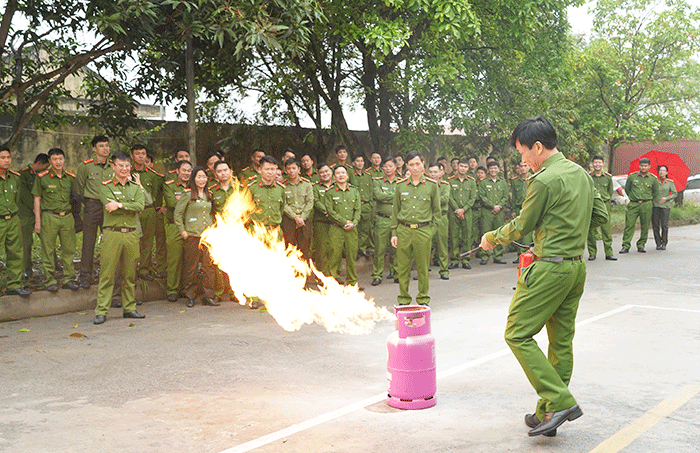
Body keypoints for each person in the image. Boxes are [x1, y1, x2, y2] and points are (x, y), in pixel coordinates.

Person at [480, 116, 608, 437]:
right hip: (575, 267)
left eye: (523, 153)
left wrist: (491, 238)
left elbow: (522, 226)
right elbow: (602, 216)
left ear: (538, 147)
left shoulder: (544, 180)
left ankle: (560, 401)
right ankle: (548, 413)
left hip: (549, 268)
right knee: (561, 343)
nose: (523, 160)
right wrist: (569, 229)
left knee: (517, 333)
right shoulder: (581, 173)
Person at [93, 151, 146, 324]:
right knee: (107, 274)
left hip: (131, 234)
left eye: (126, 166)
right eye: (120, 165)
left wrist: (120, 204)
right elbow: (108, 205)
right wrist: (124, 206)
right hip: (112, 233)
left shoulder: (135, 187)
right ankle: (101, 311)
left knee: (130, 274)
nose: (124, 169)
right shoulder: (105, 186)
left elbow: (140, 206)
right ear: (113, 166)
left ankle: (129, 308)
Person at [390, 151, 440, 305]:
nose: (415, 167)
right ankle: (404, 299)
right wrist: (394, 233)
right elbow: (395, 211)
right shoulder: (400, 186)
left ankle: (423, 298)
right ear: (406, 166)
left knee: (423, 267)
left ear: (423, 164)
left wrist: (430, 232)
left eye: (418, 163)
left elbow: (437, 213)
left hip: (423, 231)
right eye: (411, 164)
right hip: (403, 230)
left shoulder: (431, 186)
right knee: (402, 268)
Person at [32, 148, 79, 293]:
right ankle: (50, 281)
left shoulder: (71, 177)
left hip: (67, 217)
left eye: (60, 159)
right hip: (49, 217)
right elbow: (37, 199)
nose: (58, 162)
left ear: (64, 160)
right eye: (54, 159)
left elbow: (76, 198)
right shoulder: (42, 177)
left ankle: (68, 279)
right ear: (50, 161)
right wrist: (38, 221)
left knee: (69, 249)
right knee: (48, 249)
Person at [174, 166, 218, 308]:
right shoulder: (187, 194)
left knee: (208, 266)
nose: (202, 180)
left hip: (208, 236)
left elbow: (213, 214)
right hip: (192, 235)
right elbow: (178, 214)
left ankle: (209, 295)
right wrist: (183, 231)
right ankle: (190, 295)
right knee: (191, 266)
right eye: (199, 177)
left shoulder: (209, 194)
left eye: (204, 177)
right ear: (194, 179)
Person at [76, 135, 113, 288]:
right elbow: (79, 189)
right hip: (91, 206)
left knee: (110, 241)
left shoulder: (113, 166)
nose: (105, 149)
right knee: (88, 242)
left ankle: (107, 275)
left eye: (107, 145)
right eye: (101, 146)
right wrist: (87, 205)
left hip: (110, 207)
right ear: (94, 148)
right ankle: (86, 276)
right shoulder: (86, 166)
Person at [131, 144, 165, 281]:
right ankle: (131, 270)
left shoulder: (153, 176)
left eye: (143, 154)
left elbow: (157, 194)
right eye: (137, 153)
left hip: (148, 210)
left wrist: (157, 208)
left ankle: (144, 269)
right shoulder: (127, 172)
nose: (141, 156)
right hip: (132, 211)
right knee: (133, 242)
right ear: (132, 156)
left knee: (147, 242)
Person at [0, 146, 31, 297]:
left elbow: (17, 199)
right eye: (2, 158)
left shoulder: (15, 177)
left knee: (16, 253)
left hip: (13, 219)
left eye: (8, 157)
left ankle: (13, 285)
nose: (6, 160)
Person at [324, 165, 361, 286]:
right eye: (338, 173)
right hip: (336, 228)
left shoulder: (354, 191)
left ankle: (352, 283)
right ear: (334, 177)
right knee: (334, 256)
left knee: (351, 257)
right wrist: (344, 222)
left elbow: (358, 210)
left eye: (343, 173)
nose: (341, 175)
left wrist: (354, 223)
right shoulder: (329, 192)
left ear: (347, 175)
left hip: (352, 229)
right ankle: (332, 283)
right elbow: (330, 211)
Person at [162, 160, 193, 302]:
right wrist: (189, 201)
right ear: (177, 171)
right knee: (174, 259)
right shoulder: (170, 185)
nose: (187, 173)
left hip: (192, 226)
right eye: (184, 170)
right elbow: (172, 203)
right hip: (174, 225)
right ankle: (172, 289)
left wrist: (181, 199)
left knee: (190, 260)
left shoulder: (195, 185)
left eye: (189, 171)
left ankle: (186, 289)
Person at [18, 153, 49, 279]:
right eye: (46, 167)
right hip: (25, 214)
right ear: (39, 164)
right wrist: (37, 209)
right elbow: (24, 196)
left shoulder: (42, 176)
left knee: (47, 238)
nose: (46, 170)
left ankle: (52, 263)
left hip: (39, 213)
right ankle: (26, 268)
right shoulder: (22, 175)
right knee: (26, 243)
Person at [210, 160, 238, 301]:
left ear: (230, 171)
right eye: (219, 171)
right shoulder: (212, 191)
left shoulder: (240, 188)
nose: (223, 173)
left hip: (237, 230)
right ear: (215, 174)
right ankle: (219, 292)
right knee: (219, 262)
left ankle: (235, 292)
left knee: (236, 261)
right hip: (220, 231)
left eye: (225, 170)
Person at [620, 157, 659, 253]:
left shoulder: (653, 179)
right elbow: (627, 189)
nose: (643, 167)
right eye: (642, 165)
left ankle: (641, 245)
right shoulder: (632, 177)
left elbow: (655, 193)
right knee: (629, 225)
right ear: (639, 166)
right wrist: (633, 197)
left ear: (649, 166)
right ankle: (625, 245)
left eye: (645, 166)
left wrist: (648, 199)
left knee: (645, 225)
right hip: (633, 204)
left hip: (646, 204)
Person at [371, 156, 399, 286]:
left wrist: (386, 198)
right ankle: (377, 275)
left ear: (396, 167)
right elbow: (378, 196)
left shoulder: (401, 181)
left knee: (397, 249)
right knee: (380, 249)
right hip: (382, 220)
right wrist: (395, 196)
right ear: (382, 168)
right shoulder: (377, 181)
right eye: (385, 166)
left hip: (397, 221)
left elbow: (404, 198)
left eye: (390, 166)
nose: (388, 169)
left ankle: (396, 273)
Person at [281, 158, 314, 259]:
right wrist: (295, 217)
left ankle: (305, 273)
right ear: (285, 170)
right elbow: (284, 204)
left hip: (304, 221)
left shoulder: (307, 184)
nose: (291, 171)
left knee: (305, 248)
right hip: (289, 221)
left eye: (294, 168)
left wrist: (302, 218)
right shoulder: (282, 186)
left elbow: (310, 202)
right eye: (288, 168)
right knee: (289, 247)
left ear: (299, 169)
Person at [448, 158, 477, 269]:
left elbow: (472, 198)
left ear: (468, 168)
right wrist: (457, 210)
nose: (463, 168)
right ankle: (454, 260)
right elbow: (449, 197)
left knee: (467, 236)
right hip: (453, 212)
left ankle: (466, 260)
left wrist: (463, 210)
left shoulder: (471, 181)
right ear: (457, 166)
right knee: (454, 236)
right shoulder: (450, 181)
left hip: (467, 212)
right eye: (461, 166)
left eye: (465, 167)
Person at [478, 161, 509, 265]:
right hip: (487, 212)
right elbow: (482, 197)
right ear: (488, 170)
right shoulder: (483, 182)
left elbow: (505, 196)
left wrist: (499, 206)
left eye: (495, 168)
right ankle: (484, 256)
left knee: (499, 233)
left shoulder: (503, 183)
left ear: (498, 169)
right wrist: (493, 206)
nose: (493, 170)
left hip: (499, 212)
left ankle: (498, 256)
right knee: (485, 233)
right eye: (491, 168)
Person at [586, 155, 616, 261]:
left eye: (599, 163)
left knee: (606, 229)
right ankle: (592, 253)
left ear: (603, 164)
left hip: (604, 204)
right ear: (592, 164)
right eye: (595, 163)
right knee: (591, 230)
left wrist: (606, 200)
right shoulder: (588, 176)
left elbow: (610, 191)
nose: (597, 165)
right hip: (592, 205)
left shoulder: (608, 177)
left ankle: (609, 253)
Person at [348, 154, 374, 259]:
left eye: (362, 161)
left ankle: (362, 250)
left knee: (365, 229)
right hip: (355, 207)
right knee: (355, 230)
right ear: (353, 163)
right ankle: (354, 250)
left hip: (366, 206)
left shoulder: (368, 176)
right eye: (357, 161)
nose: (360, 163)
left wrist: (371, 204)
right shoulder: (350, 175)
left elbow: (371, 192)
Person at [428, 162, 451, 280]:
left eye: (435, 172)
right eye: (431, 172)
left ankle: (444, 270)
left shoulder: (445, 185)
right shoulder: (425, 185)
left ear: (441, 173)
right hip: (427, 218)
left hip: (441, 217)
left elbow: (445, 199)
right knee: (426, 245)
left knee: (442, 245)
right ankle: (424, 271)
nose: (433, 174)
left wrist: (430, 200)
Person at [311, 163, 334, 275]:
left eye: (326, 171)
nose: (324, 174)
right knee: (321, 250)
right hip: (321, 222)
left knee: (334, 249)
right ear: (318, 175)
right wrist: (327, 212)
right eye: (321, 172)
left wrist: (334, 215)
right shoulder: (315, 187)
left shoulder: (337, 186)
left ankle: (334, 275)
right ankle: (322, 276)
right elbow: (316, 201)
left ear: (331, 172)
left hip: (335, 222)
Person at [510, 160, 534, 263]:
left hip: (531, 208)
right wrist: (513, 210)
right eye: (521, 166)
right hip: (519, 208)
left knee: (530, 233)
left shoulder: (534, 178)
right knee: (519, 231)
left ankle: (529, 255)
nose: (523, 168)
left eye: (525, 166)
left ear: (529, 167)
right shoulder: (515, 181)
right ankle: (520, 256)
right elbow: (514, 197)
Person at [652, 165, 677, 250]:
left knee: (664, 225)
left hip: (665, 206)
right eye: (660, 170)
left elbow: (674, 193)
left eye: (663, 170)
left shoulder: (670, 182)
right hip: (655, 205)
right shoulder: (655, 181)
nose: (661, 172)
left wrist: (666, 198)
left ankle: (664, 242)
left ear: (666, 172)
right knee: (655, 225)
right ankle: (658, 242)